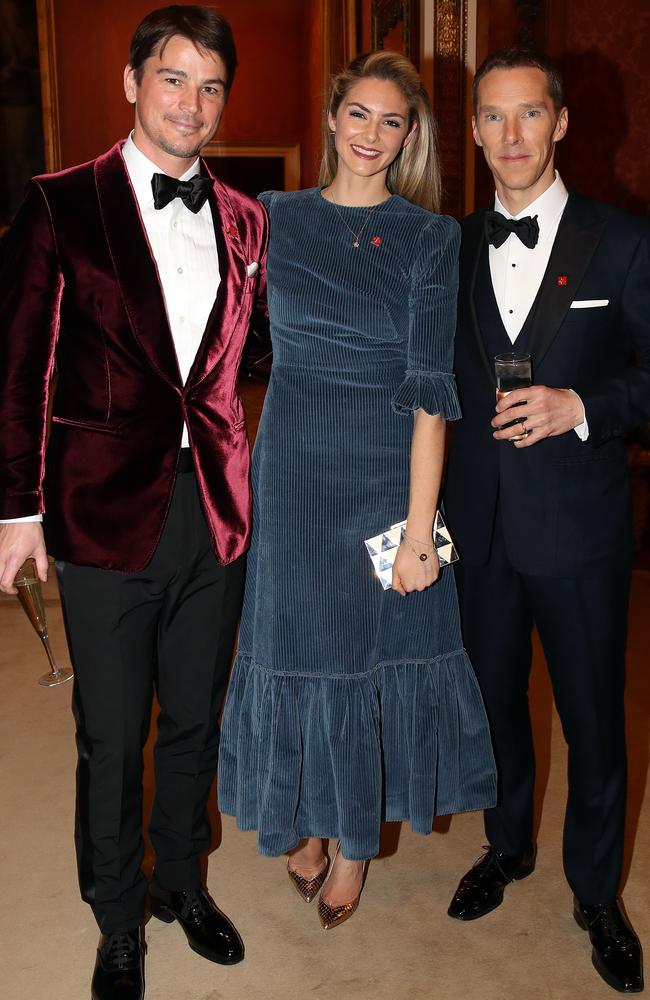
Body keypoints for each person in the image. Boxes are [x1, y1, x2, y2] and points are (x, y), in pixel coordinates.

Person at [0, 6, 268, 999]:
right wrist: (14, 513)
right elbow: (19, 365)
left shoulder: (244, 219)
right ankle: (117, 915)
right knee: (113, 736)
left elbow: (255, 361)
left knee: (192, 717)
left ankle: (178, 882)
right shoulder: (60, 202)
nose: (190, 103)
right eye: (171, 78)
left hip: (216, 508)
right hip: (101, 514)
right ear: (130, 82)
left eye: (208, 86)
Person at [217, 50, 496, 932]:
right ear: (334, 115)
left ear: (410, 136)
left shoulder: (430, 237)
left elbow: (430, 392)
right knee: (297, 648)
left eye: (393, 121)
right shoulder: (272, 218)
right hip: (293, 469)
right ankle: (304, 816)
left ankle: (357, 845)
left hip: (384, 473)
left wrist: (420, 529)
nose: (372, 135)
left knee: (370, 661)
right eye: (359, 114)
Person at [444, 47, 649, 993]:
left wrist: (584, 406)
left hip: (579, 530)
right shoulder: (446, 247)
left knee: (593, 719)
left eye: (529, 115)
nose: (511, 136)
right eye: (492, 116)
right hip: (477, 527)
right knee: (493, 709)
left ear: (561, 123)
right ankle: (508, 845)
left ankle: (597, 892)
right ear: (475, 128)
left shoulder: (625, 241)